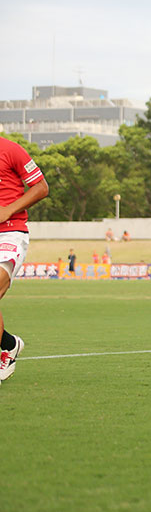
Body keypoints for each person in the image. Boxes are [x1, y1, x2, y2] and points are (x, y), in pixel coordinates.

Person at [0, 135, 50, 385]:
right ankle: (9, 346)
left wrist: (9, 209)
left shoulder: (11, 150)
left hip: (10, 232)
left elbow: (41, 187)